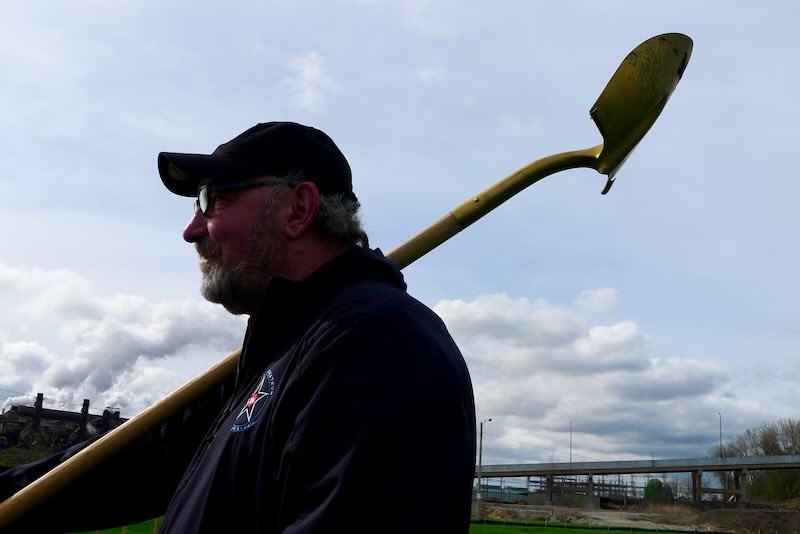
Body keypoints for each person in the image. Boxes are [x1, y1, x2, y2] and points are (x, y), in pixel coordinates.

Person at [0, 122, 477, 533]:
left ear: (297, 210)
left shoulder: (375, 346)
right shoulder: (274, 356)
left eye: (212, 200)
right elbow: (126, 466)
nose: (191, 230)